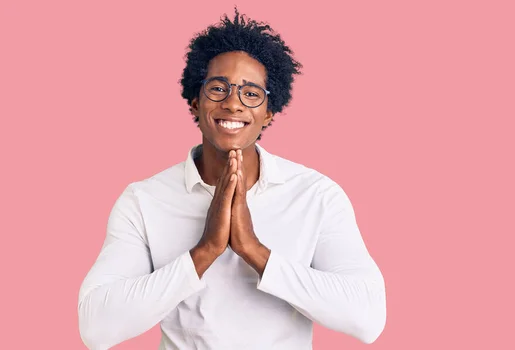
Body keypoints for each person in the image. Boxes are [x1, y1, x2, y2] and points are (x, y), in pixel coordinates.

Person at [78, 8, 386, 350]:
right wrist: (205, 251)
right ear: (195, 102)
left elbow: (368, 319)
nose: (233, 104)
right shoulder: (143, 201)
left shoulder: (316, 196)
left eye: (251, 93)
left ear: (268, 113)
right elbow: (95, 328)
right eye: (218, 88)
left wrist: (254, 251)